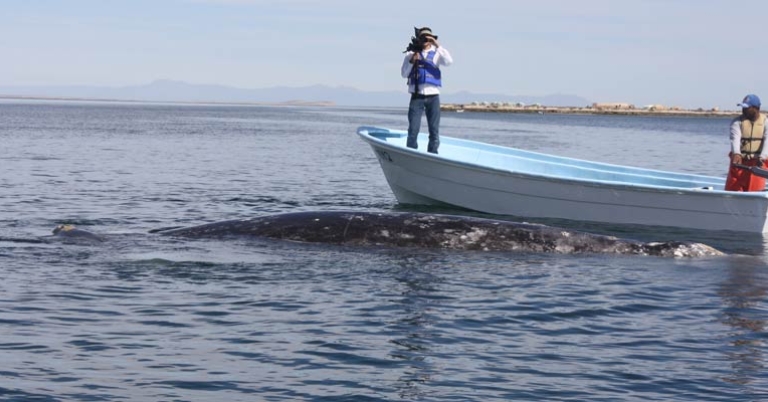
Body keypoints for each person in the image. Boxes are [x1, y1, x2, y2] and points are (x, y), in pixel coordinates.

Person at [401, 27, 453, 154]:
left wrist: (438, 45)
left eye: (428, 38)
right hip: (416, 96)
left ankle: (432, 154)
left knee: (434, 131)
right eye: (422, 37)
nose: (425, 40)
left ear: (431, 40)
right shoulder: (410, 54)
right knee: (413, 130)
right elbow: (404, 74)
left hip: (433, 97)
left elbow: (449, 62)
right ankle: (411, 154)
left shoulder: (437, 53)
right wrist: (412, 61)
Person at [725, 94, 768, 191]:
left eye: (746, 108)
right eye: (743, 107)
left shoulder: (766, 122)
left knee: (755, 190)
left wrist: (762, 157)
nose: (743, 110)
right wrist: (736, 153)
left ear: (756, 108)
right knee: (733, 189)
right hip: (740, 162)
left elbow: (767, 141)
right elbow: (735, 138)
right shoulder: (737, 122)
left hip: (757, 163)